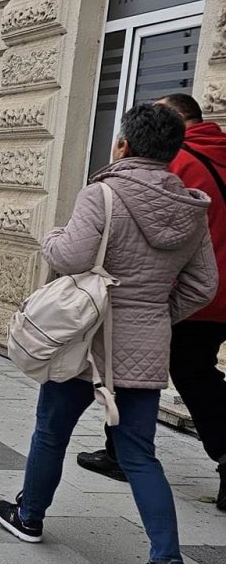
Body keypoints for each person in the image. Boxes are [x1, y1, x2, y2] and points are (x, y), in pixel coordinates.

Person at [0, 103, 216, 564]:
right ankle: (166, 563)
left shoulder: (103, 194)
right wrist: (156, 314)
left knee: (52, 431)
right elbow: (203, 285)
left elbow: (70, 256)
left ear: (124, 145)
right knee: (139, 454)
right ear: (173, 151)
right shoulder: (191, 208)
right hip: (145, 345)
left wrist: (51, 236)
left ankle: (29, 515)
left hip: (86, 339)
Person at [78, 94, 226, 511]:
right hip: (220, 292)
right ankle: (120, 451)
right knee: (195, 369)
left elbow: (150, 233)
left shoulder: (181, 164)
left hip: (193, 292)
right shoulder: (219, 153)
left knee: (156, 367)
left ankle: (124, 454)